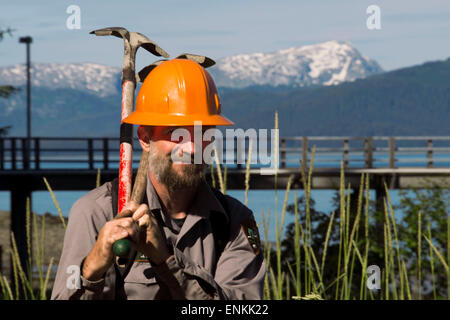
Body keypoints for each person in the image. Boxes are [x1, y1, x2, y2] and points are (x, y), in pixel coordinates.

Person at [51, 58, 266, 300]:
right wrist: (91, 271)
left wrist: (166, 259)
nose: (191, 147)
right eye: (176, 133)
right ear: (144, 138)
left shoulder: (237, 224)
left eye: (202, 132)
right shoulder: (96, 213)